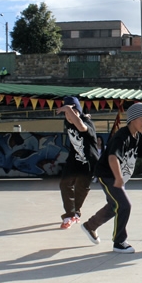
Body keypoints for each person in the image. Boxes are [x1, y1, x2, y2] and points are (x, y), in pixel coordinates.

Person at [81, 103, 142, 254]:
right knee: (124, 205)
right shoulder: (121, 136)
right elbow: (112, 158)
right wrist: (118, 178)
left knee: (114, 206)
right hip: (108, 174)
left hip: (117, 177)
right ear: (132, 119)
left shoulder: (140, 137)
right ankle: (119, 242)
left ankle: (90, 226)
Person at [56, 97, 99, 229]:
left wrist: (69, 109)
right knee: (65, 183)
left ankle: (76, 212)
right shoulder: (68, 121)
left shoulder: (87, 123)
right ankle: (69, 215)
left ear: (78, 113)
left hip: (89, 161)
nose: (69, 117)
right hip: (74, 159)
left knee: (82, 188)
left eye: (72, 113)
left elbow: (81, 126)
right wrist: (69, 112)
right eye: (66, 114)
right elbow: (73, 120)